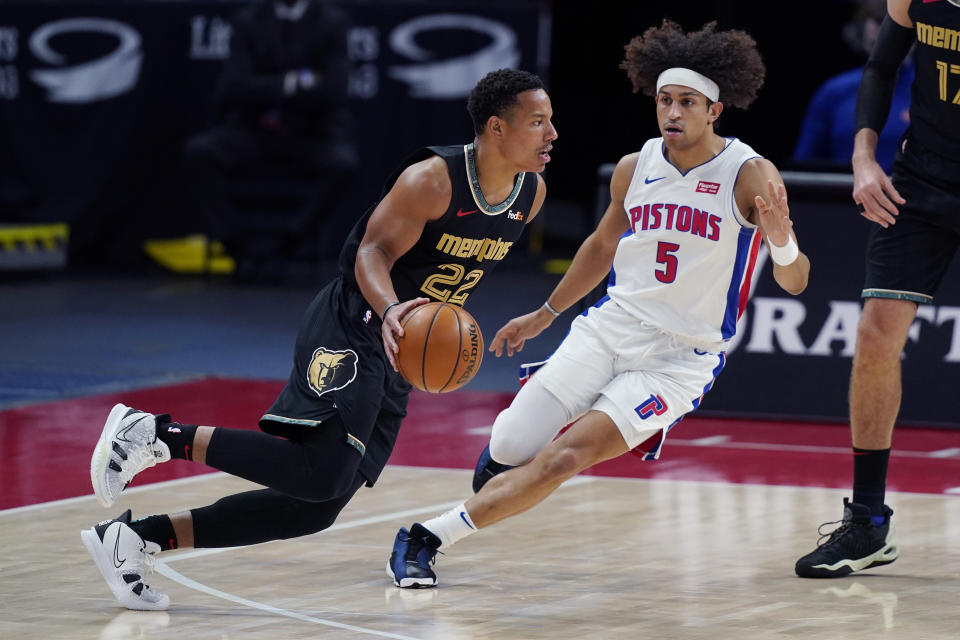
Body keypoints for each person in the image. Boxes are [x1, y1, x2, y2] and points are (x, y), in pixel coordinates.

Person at [80, 68, 557, 610]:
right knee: (319, 469)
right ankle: (156, 434)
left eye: (550, 121)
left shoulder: (531, 195)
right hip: (357, 318)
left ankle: (135, 538)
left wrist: (442, 341)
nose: (552, 134)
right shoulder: (432, 180)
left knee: (315, 505)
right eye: (538, 122)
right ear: (496, 128)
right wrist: (393, 308)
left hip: (402, 351)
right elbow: (370, 254)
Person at [387, 20, 811, 589]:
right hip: (608, 329)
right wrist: (546, 314)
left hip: (679, 360)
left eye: (687, 102)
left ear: (715, 110)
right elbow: (600, 247)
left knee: (564, 458)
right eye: (664, 100)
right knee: (512, 446)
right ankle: (507, 475)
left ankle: (426, 536)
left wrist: (781, 240)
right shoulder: (637, 167)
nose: (672, 113)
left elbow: (797, 280)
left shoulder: (748, 174)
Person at [795, 0, 960, 579]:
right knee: (874, 335)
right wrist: (864, 159)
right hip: (924, 178)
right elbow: (880, 66)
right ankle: (866, 522)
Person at [181, 0, 358, 279]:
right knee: (200, 152)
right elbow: (233, 85)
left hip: (310, 134)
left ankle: (291, 240)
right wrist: (295, 82)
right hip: (253, 130)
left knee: (343, 164)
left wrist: (264, 84)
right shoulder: (249, 19)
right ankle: (234, 243)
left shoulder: (331, 22)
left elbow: (334, 90)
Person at [792, 0, 912, 172]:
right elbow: (803, 166)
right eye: (878, 21)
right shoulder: (834, 91)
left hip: (913, 194)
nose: (886, 33)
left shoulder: (929, 88)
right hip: (845, 194)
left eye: (891, 22)